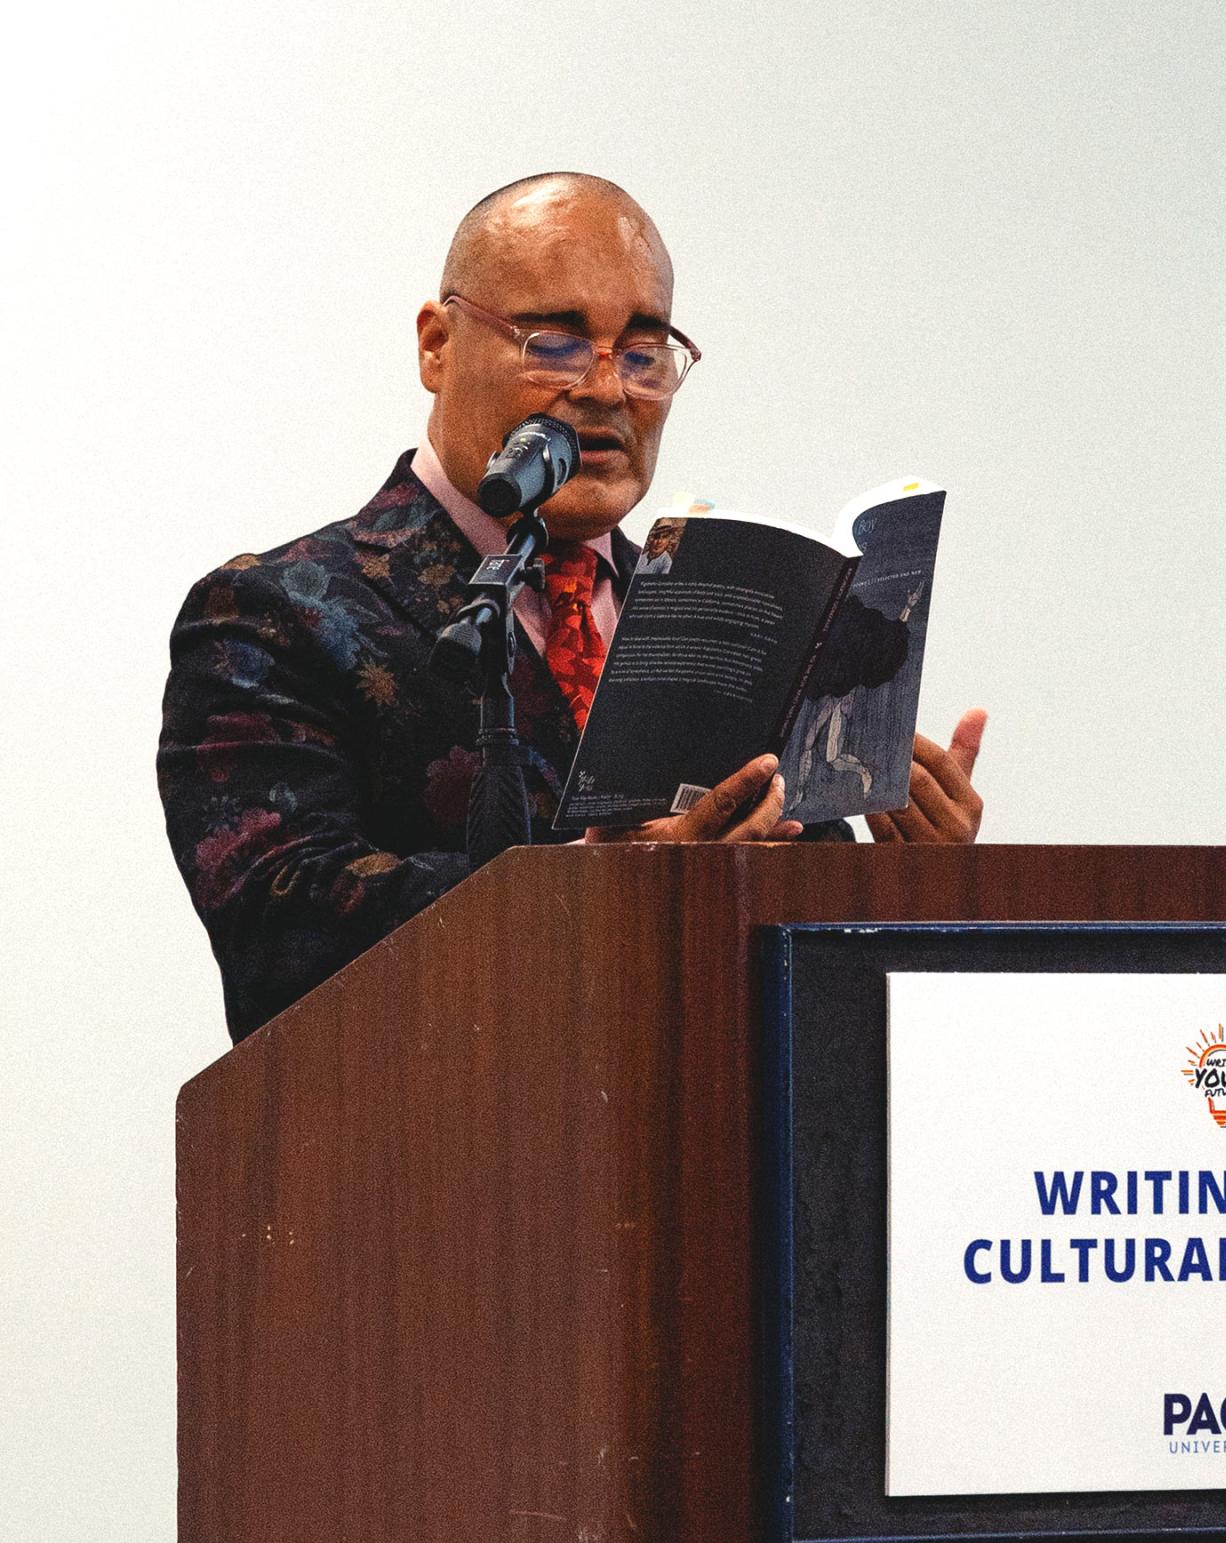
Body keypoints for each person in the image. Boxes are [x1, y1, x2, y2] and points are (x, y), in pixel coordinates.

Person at [158, 173, 985, 1042]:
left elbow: (790, 968)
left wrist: (911, 887)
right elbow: (283, 927)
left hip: (720, 1151)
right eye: (554, 342)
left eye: (643, 353)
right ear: (437, 345)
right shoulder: (270, 614)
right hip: (430, 1151)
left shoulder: (738, 628)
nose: (605, 389)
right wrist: (593, 893)